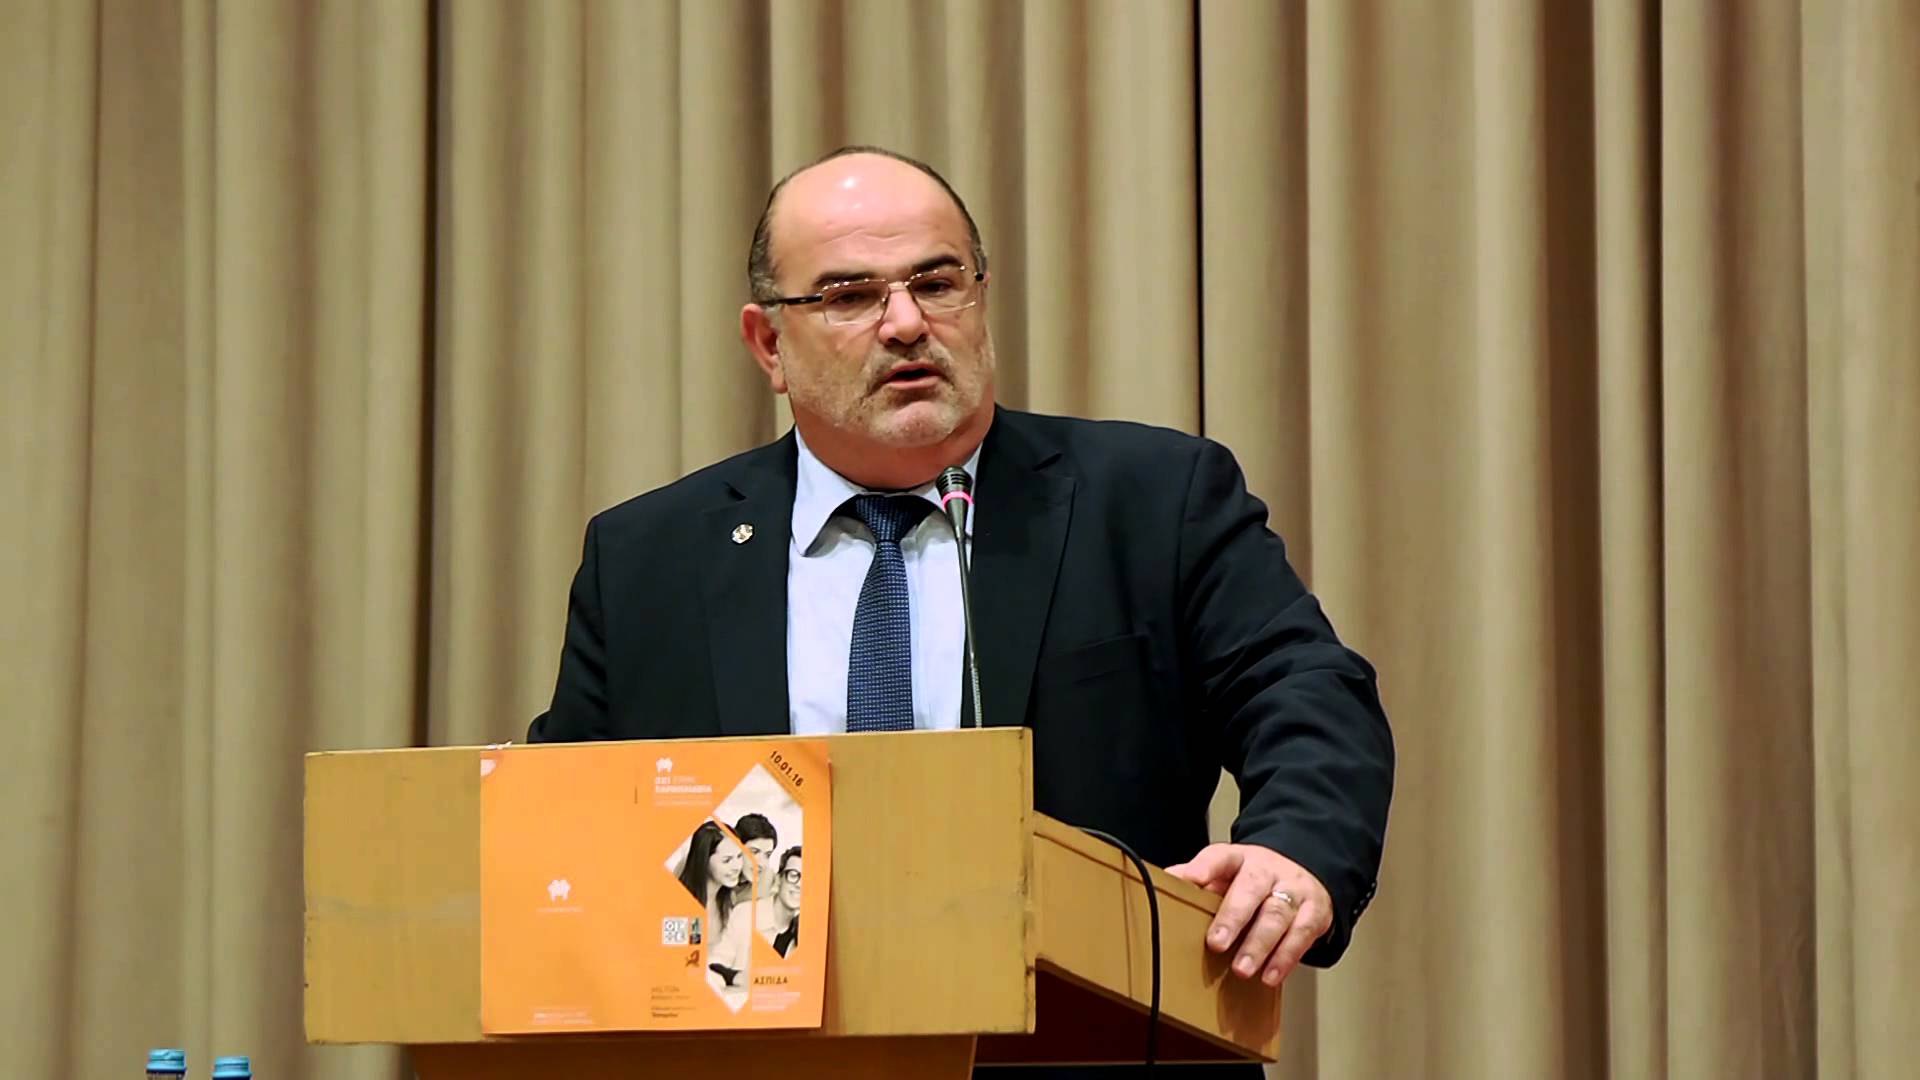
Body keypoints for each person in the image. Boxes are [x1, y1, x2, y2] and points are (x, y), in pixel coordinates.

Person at [531, 145, 1394, 1076]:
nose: (907, 324)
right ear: (769, 345)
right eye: (850, 296)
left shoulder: (1151, 499)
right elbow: (561, 827)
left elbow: (1305, 691)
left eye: (937, 284)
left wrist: (1294, 849)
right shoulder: (649, 559)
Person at [674, 821, 751, 994]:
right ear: (704, 861)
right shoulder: (683, 905)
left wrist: (731, 976)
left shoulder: (728, 899)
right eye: (727, 860)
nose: (737, 866)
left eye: (739, 856)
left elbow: (712, 960)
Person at [757, 846, 802, 957]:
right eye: (793, 875)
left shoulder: (803, 933)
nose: (799, 884)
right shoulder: (747, 915)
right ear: (778, 879)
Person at [731, 813, 779, 901]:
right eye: (754, 852)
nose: (762, 863)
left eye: (767, 855)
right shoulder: (714, 878)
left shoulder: (770, 880)